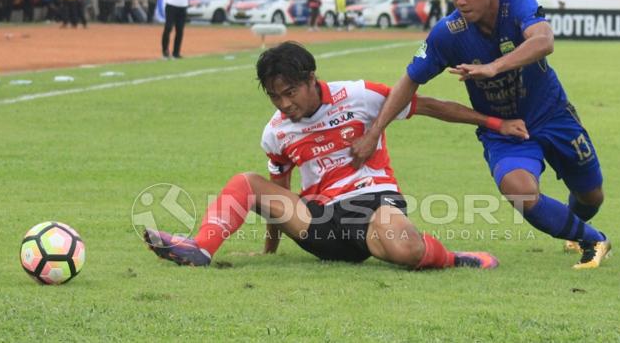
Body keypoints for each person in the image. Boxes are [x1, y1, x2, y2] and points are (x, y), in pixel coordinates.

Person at [144, 41, 531, 268]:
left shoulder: (360, 95)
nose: (284, 104)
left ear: (312, 78)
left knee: (405, 248)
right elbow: (279, 189)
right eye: (275, 96)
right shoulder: (275, 130)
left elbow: (428, 105)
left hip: (373, 207)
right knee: (248, 182)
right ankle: (200, 248)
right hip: (317, 223)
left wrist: (495, 124)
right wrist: (271, 247)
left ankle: (452, 258)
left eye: (290, 92)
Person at [350, 0, 612, 270]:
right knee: (520, 191)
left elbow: (544, 41)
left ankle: (575, 227)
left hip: (553, 115)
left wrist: (494, 67)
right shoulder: (448, 33)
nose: (459, 1)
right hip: (503, 130)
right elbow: (408, 81)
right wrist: (375, 132)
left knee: (592, 196)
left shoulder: (518, 6)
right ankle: (594, 239)